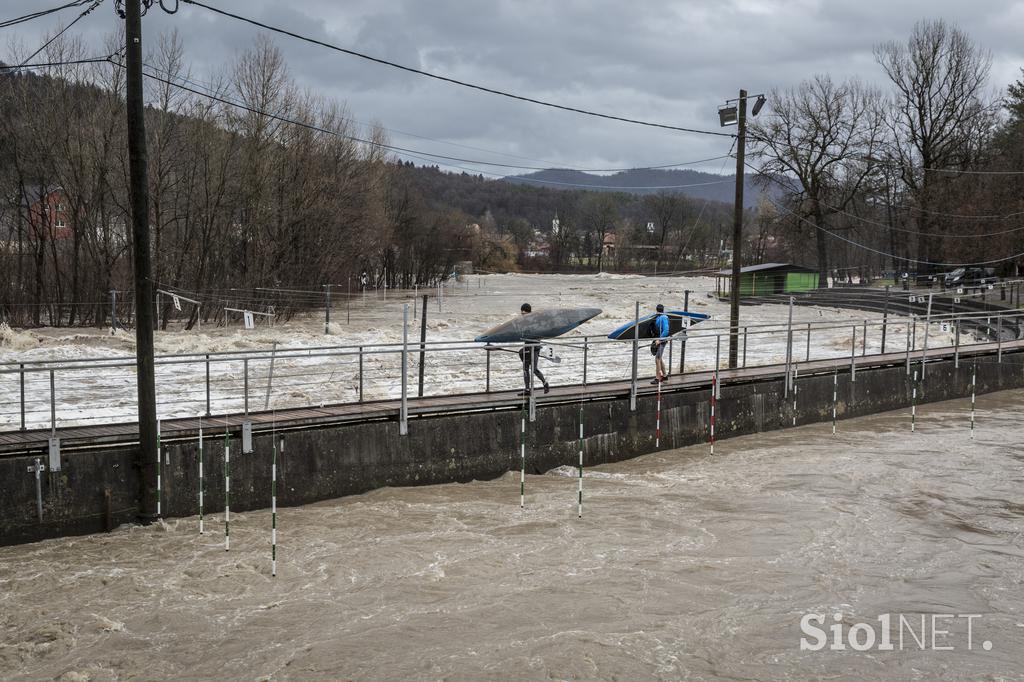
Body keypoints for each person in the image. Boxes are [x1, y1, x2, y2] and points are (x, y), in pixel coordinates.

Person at [517, 303, 550, 395]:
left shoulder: (528, 322)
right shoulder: (535, 321)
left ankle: (528, 389)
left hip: (531, 347)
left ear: (528, 312)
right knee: (532, 368)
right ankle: (545, 383)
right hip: (535, 347)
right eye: (521, 313)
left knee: (527, 368)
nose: (522, 315)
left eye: (524, 313)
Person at [651, 303, 670, 384]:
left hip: (662, 340)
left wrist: (660, 339)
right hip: (659, 339)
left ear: (656, 309)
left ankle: (657, 378)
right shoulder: (659, 317)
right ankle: (665, 376)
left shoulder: (664, 318)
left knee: (657, 359)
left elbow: (666, 330)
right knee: (660, 358)